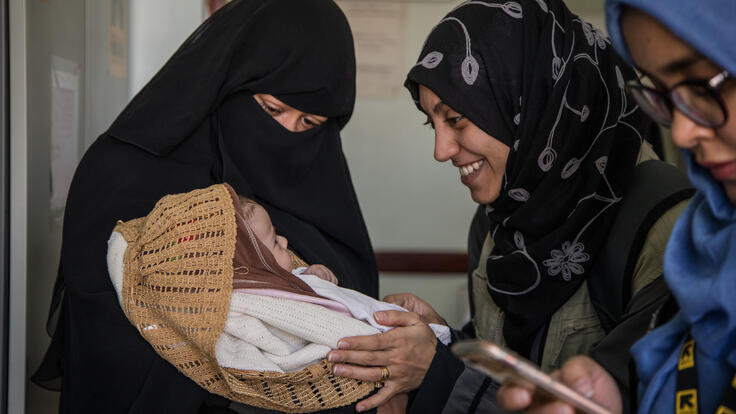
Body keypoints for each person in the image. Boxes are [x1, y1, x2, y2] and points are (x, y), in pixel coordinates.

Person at [327, 0, 692, 412]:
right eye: (434, 123)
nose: (441, 150)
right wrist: (445, 340)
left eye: (457, 120)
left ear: (533, 103)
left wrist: (439, 371)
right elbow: (511, 364)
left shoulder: (668, 225)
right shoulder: (499, 219)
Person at [31, 1, 379, 413]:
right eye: (271, 109)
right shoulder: (125, 176)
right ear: (227, 83)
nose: (285, 134)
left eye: (309, 124)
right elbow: (110, 350)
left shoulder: (317, 187)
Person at [497, 0, 736, 413]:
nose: (680, 131)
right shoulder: (706, 247)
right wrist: (616, 396)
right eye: (662, 95)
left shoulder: (662, 215)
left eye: (700, 85)